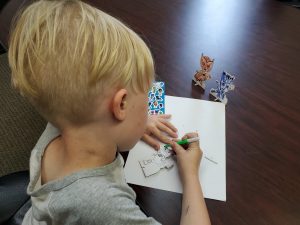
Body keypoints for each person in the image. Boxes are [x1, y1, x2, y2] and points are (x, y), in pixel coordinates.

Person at [8, 0, 211, 224]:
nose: (147, 112)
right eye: (145, 103)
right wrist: (190, 174)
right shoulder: (103, 204)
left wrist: (135, 121)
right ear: (120, 105)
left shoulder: (63, 120)